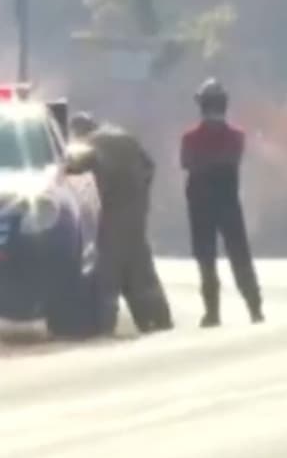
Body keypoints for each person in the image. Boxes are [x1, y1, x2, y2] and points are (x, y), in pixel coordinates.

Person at [67, 111, 173, 334]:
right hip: (136, 218)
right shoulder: (125, 138)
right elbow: (149, 167)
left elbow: (75, 177)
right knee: (142, 274)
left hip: (109, 220)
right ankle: (157, 321)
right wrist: (141, 195)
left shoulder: (85, 148)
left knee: (107, 278)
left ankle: (102, 327)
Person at [180, 78, 263, 327]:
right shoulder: (236, 136)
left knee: (206, 262)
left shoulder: (190, 138)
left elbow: (187, 163)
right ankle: (254, 308)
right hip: (228, 204)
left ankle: (213, 313)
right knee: (240, 257)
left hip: (200, 206)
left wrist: (205, 166)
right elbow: (231, 160)